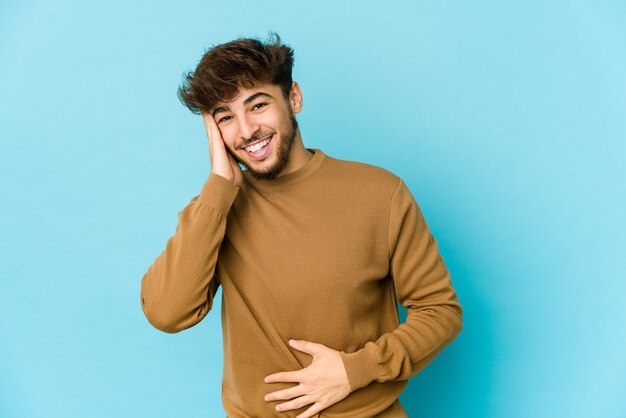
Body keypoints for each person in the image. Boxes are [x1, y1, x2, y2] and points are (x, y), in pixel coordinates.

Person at [140, 32, 463, 418]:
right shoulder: (215, 211)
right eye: (226, 118)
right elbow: (167, 312)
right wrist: (217, 189)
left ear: (293, 98)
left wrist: (356, 369)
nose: (245, 131)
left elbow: (440, 310)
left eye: (257, 106)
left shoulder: (380, 193)